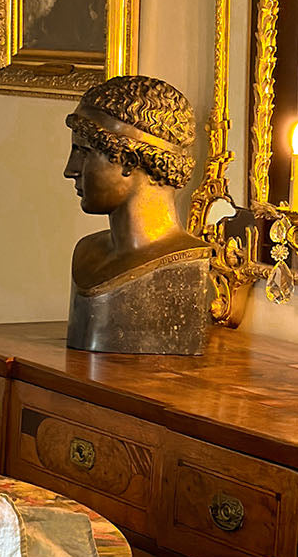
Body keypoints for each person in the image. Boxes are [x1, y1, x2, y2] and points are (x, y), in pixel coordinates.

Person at [62, 74, 211, 353]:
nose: (70, 169)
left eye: (83, 152)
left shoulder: (183, 268)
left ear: (129, 161)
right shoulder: (87, 253)